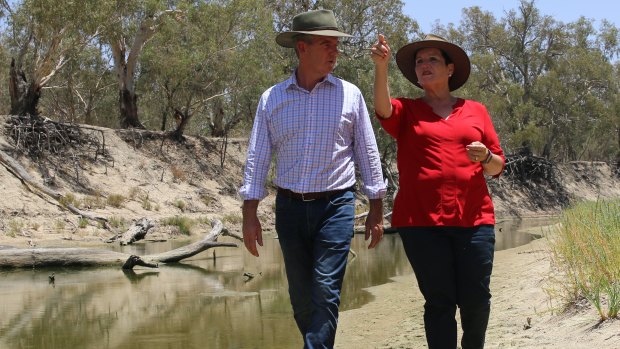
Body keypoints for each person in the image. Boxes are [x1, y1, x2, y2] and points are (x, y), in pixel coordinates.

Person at [239, 9, 387, 349]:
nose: (335, 52)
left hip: (336, 207)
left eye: (336, 44)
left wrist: (377, 209)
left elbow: (367, 152)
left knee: (325, 290)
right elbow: (257, 159)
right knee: (302, 298)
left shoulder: (350, 95)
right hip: (289, 209)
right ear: (301, 48)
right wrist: (249, 215)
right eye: (326, 44)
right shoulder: (272, 99)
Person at [370, 33, 505, 349]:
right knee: (439, 301)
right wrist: (381, 67)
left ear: (449, 68)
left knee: (476, 299)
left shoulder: (476, 111)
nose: (424, 65)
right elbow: (383, 109)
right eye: (419, 61)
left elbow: (497, 166)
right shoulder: (407, 110)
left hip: (474, 221)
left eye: (432, 59)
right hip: (421, 223)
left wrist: (485, 155)